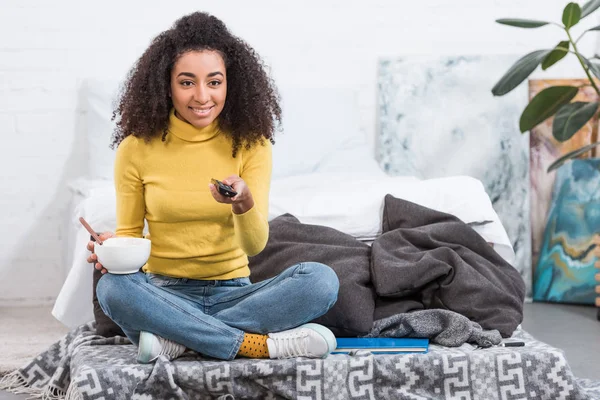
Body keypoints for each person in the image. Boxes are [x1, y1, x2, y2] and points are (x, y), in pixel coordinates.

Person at [86, 11, 340, 363]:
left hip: (235, 293)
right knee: (113, 288)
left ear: (230, 84)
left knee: (321, 280)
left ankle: (180, 340)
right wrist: (112, 248)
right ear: (167, 85)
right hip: (164, 294)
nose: (202, 96)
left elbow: (254, 245)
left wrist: (243, 203)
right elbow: (131, 235)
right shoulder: (136, 147)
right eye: (187, 82)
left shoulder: (251, 144)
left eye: (214, 82)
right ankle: (255, 345)